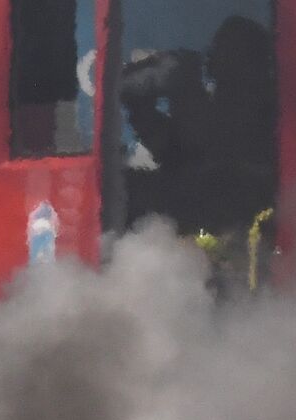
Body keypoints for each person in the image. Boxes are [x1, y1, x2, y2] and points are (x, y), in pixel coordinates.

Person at [119, 17, 277, 251]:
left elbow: (209, 146)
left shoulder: (259, 101)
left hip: (238, 203)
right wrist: (140, 109)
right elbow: (176, 152)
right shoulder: (224, 99)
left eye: (224, 53)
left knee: (134, 192)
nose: (212, 61)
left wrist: (183, 84)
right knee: (123, 188)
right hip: (207, 197)